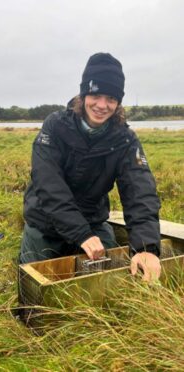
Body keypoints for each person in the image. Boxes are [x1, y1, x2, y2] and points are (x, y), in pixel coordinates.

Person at [19, 52, 161, 281]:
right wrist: (80, 234)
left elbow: (140, 192)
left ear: (118, 102)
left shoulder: (126, 140)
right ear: (84, 93)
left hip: (92, 221)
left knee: (113, 278)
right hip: (46, 223)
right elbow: (48, 186)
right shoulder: (54, 127)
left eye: (111, 99)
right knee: (34, 285)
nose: (102, 105)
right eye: (96, 95)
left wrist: (146, 247)